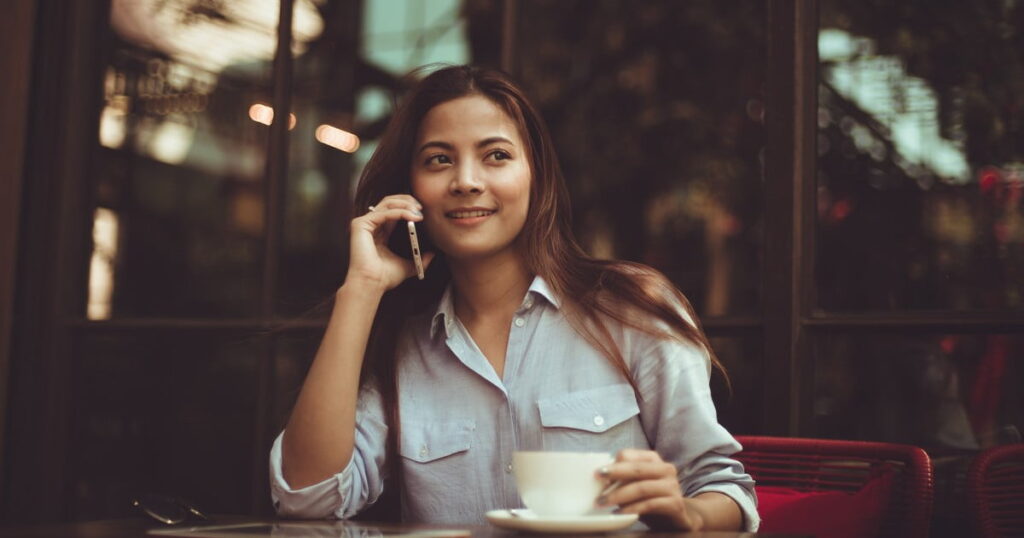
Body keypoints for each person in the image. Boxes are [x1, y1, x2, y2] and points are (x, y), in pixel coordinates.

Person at [269, 64, 759, 532]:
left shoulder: (629, 310)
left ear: (535, 176)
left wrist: (688, 515)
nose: (465, 181)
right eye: (439, 159)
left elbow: (725, 490)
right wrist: (361, 290)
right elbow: (306, 499)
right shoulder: (401, 347)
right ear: (411, 190)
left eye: (496, 155)